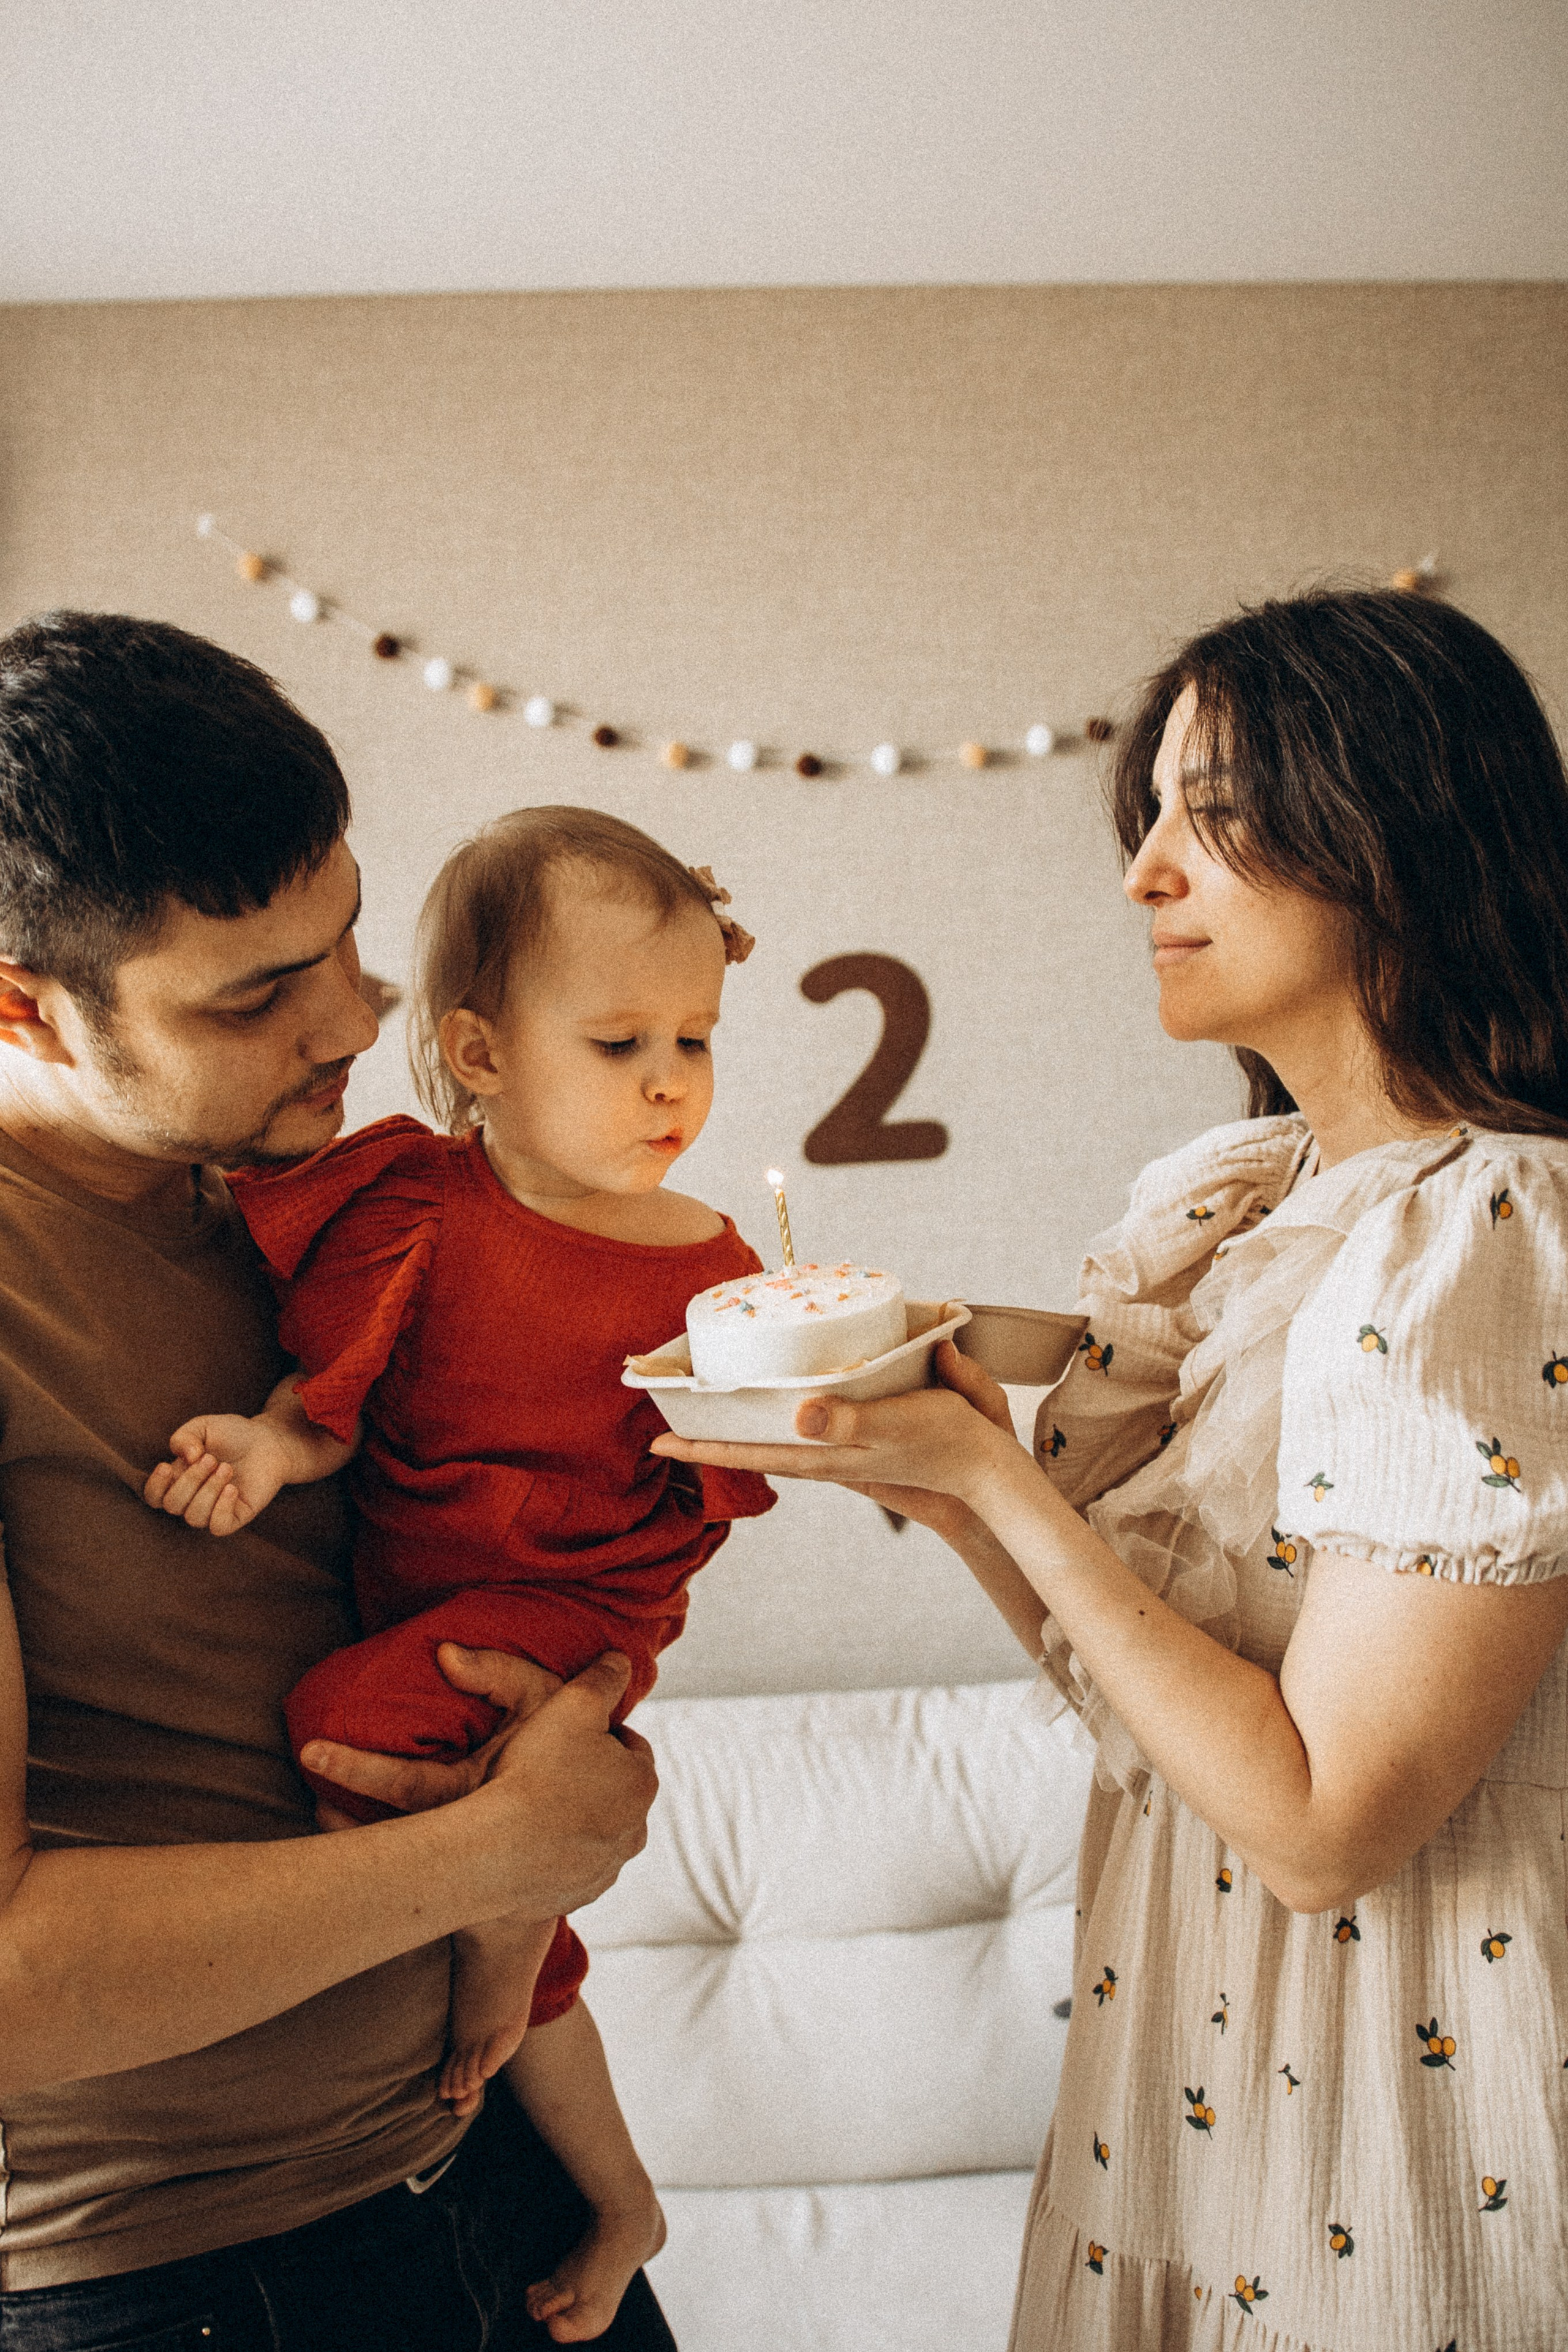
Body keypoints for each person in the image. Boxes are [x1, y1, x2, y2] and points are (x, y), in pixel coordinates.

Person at [653, 588, 1568, 2351]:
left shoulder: (1490, 1231)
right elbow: (1162, 1718)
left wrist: (1000, 1488)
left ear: (1398, 835)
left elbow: (1322, 1831)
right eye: (1148, 817)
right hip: (1200, 2070)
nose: (1145, 873)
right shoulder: (1249, 1210)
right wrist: (951, 1489)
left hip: (1399, 2100)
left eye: (1208, 814)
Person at [0, 612, 669, 2352]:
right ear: (25, 1005)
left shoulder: (330, 1194)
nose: (352, 1019)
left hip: (498, 2167)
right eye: (251, 997)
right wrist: (502, 1851)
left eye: (347, 939)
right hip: (187, 2280)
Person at [145, 806, 774, 2342]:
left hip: (578, 1604)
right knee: (438, 1790)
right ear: (480, 1054)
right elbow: (334, 1392)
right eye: (620, 1042)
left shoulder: (707, 1266)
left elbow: (729, 1472)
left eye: (693, 1038)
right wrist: (270, 1449)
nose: (671, 1081)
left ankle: (504, 1943)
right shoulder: (421, 1206)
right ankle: (618, 2192)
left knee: (341, 1725)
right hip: (433, 1589)